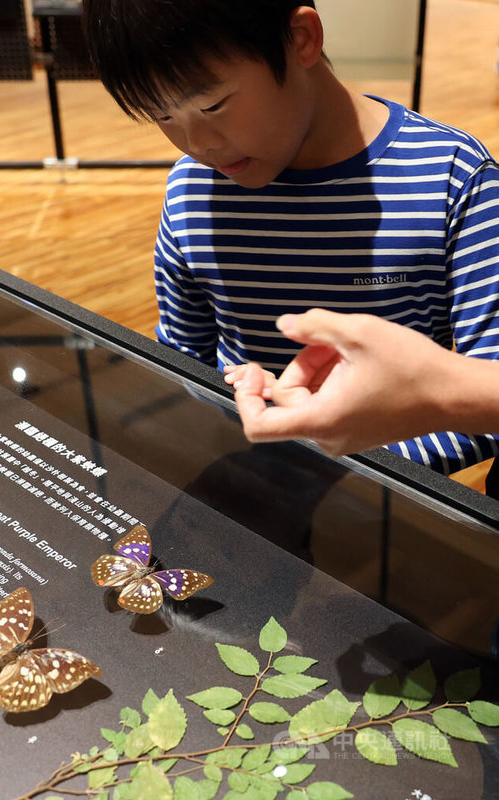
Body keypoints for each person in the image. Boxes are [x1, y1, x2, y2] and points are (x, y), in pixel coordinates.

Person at [82, 0, 499, 476]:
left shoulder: (451, 177)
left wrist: (334, 470)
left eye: (213, 105)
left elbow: (488, 397)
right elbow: (182, 365)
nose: (198, 145)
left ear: (300, 39)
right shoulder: (192, 190)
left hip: (386, 513)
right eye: (163, 117)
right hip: (247, 491)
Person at [234, 309, 499, 457]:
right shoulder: (191, 214)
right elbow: (194, 352)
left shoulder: (459, 210)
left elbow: (486, 428)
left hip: (390, 502)